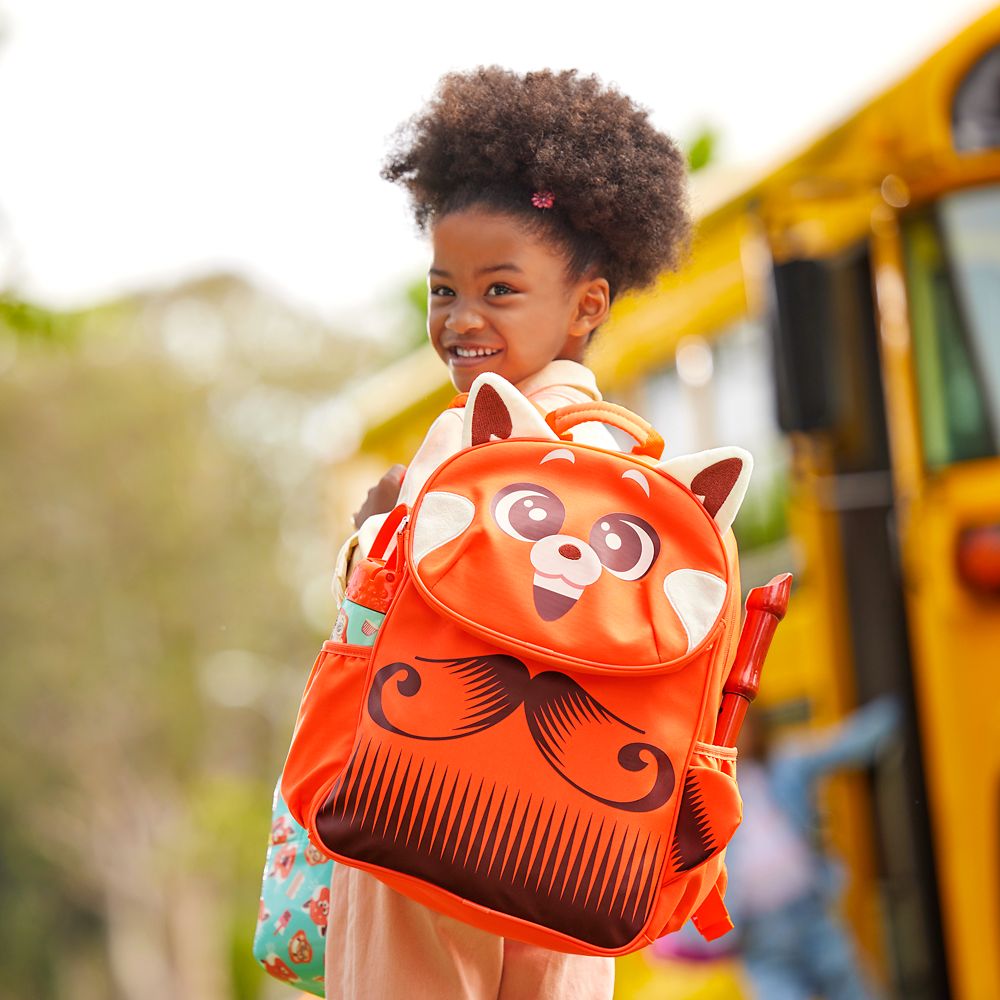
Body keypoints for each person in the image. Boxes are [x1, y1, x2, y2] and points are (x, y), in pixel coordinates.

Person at [324, 67, 692, 999]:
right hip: (576, 839)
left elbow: (399, 597)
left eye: (499, 289)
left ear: (587, 306)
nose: (461, 320)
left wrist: (374, 531)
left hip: (430, 801)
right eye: (444, 291)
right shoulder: (634, 463)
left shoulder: (477, 436)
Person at [722, 697, 901, 1000]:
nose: (735, 733)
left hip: (808, 910)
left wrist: (893, 713)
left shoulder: (783, 763)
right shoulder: (706, 789)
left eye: (741, 722)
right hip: (759, 932)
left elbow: (840, 745)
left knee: (849, 986)